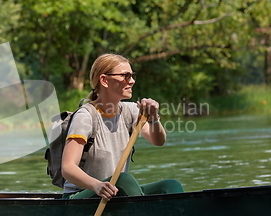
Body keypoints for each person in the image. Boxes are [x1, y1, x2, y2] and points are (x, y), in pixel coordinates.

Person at [61, 54, 184, 200]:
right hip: (81, 196)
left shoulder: (130, 111)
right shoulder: (85, 116)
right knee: (123, 180)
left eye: (132, 76)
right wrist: (97, 185)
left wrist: (153, 118)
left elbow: (158, 141)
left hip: (114, 193)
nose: (132, 81)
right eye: (125, 76)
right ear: (104, 80)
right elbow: (68, 168)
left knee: (169, 186)